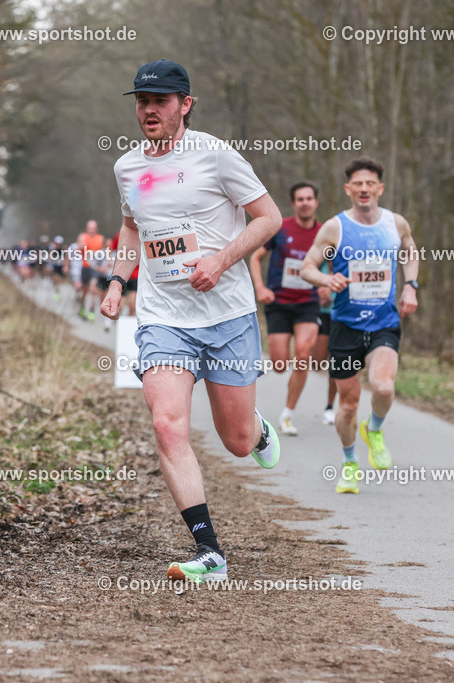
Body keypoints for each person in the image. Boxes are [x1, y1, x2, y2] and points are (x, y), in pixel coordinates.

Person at [100, 59, 283, 583]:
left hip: (227, 315)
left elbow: (268, 217)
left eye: (159, 101)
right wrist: (118, 282)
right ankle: (209, 553)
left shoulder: (217, 156)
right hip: (164, 318)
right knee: (166, 424)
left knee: (237, 441)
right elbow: (131, 229)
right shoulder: (127, 167)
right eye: (141, 101)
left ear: (185, 104)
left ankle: (258, 428)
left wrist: (221, 260)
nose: (148, 110)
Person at [299, 157, 419, 494]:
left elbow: (410, 253)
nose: (364, 189)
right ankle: (350, 463)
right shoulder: (335, 228)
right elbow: (307, 266)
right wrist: (326, 277)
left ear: (380, 188)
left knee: (383, 387)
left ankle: (376, 429)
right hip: (345, 326)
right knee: (348, 405)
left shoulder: (396, 224)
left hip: (383, 323)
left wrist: (410, 286)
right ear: (348, 188)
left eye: (370, 184)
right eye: (357, 183)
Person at [248, 182, 322, 437]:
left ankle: (288, 414)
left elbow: (334, 265)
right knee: (280, 364)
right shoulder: (281, 228)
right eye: (299, 199)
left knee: (303, 355)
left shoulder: (325, 234)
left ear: (316, 203)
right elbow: (255, 257)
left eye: (309, 198)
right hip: (278, 303)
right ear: (293, 204)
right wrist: (260, 287)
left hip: (308, 304)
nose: (305, 202)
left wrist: (327, 286)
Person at [312, 261, 338, 425]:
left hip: (341, 316)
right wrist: (319, 296)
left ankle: (330, 407)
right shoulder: (318, 261)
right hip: (321, 314)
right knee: (317, 363)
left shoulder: (347, 261)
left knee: (336, 365)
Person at [77, 220, 106, 321]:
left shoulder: (101, 238)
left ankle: (92, 311)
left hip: (95, 268)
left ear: (96, 229)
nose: (92, 231)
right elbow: (77, 250)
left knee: (93, 288)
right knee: (84, 290)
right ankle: (82, 307)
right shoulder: (83, 237)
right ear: (87, 229)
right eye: (90, 229)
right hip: (85, 267)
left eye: (93, 229)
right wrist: (81, 247)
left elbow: (105, 253)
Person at [109, 230, 139, 317]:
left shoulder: (143, 234)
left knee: (133, 306)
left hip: (136, 275)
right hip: (123, 276)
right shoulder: (120, 236)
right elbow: (112, 250)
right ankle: (117, 321)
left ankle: (127, 327)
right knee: (119, 305)